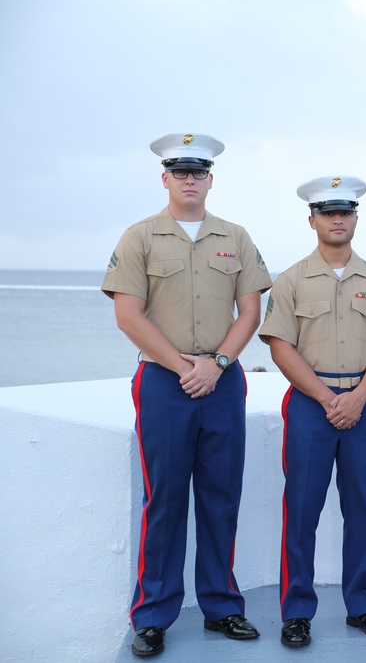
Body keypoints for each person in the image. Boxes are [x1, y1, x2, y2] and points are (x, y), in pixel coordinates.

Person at [102, 132, 272, 657]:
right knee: (166, 500)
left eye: (198, 172)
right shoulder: (140, 237)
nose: (190, 180)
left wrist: (217, 364)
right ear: (166, 178)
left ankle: (222, 606)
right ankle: (153, 616)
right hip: (164, 383)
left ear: (210, 179)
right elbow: (127, 315)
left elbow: (251, 312)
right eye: (181, 172)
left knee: (221, 498)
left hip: (220, 382)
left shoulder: (236, 237)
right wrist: (184, 366)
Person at [258, 176, 366, 647]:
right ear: (312, 220)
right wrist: (326, 399)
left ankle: (364, 606)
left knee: (362, 506)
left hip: (363, 404)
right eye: (327, 212)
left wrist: (358, 397)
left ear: (356, 219)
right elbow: (280, 346)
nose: (337, 219)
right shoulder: (293, 280)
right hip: (309, 405)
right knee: (302, 509)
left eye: (345, 212)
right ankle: (297, 610)